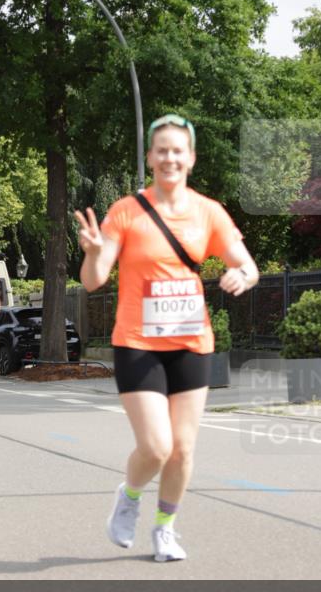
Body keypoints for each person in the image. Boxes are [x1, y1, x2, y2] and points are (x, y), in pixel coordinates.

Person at [75, 114, 259, 563]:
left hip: (192, 342)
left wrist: (241, 274)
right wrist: (96, 252)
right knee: (156, 446)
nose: (170, 157)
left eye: (178, 150)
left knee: (182, 449)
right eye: (162, 150)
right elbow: (95, 280)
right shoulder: (125, 211)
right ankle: (130, 495)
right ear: (150, 157)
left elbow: (247, 265)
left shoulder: (208, 211)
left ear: (191, 158)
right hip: (138, 341)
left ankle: (165, 528)